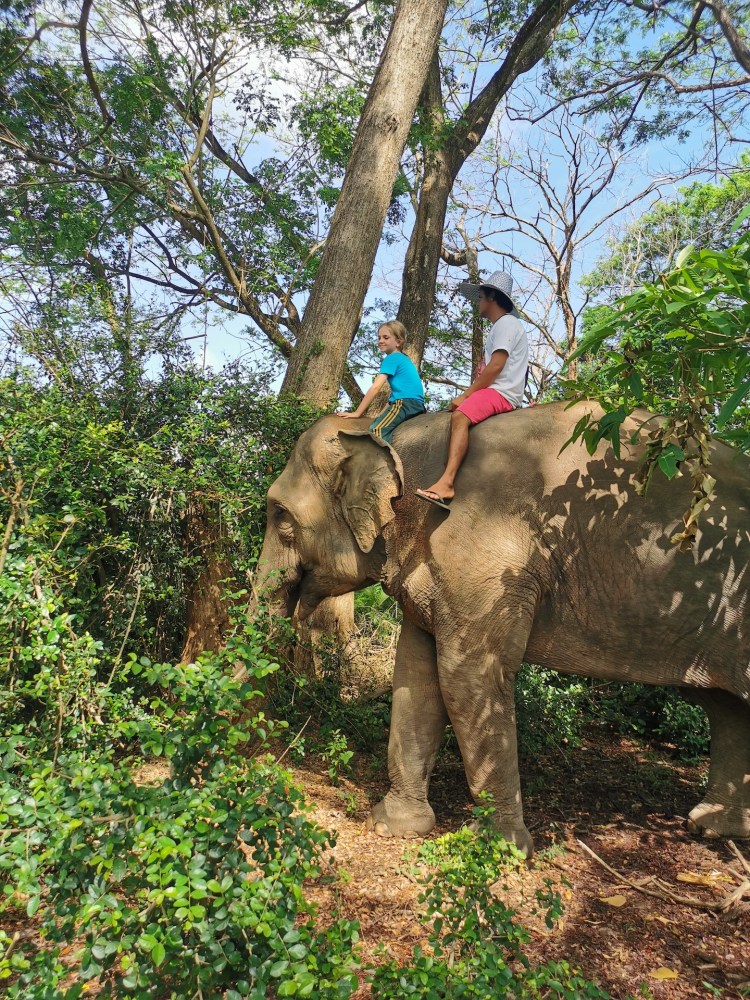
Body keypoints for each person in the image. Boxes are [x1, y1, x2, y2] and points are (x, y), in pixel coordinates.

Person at [416, 271, 528, 509]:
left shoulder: (506, 323)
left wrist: (467, 395)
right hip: (498, 390)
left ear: (492, 297)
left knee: (459, 416)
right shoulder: (502, 326)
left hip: (502, 392)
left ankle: (447, 482)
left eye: (480, 297)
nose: (478, 303)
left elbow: (497, 365)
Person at [340, 320, 426, 444]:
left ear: (398, 342)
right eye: (379, 337)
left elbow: (376, 387)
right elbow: (393, 398)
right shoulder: (404, 358)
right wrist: (380, 415)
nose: (380, 341)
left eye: (386, 337)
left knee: (377, 430)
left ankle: (387, 457)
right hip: (416, 405)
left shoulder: (392, 358)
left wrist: (357, 413)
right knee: (379, 422)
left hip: (405, 404)